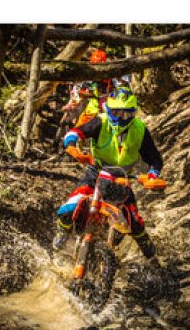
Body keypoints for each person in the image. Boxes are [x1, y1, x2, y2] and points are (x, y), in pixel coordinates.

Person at [53, 87, 163, 259]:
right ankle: (62, 231)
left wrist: (152, 176)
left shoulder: (140, 129)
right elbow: (75, 132)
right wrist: (72, 147)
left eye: (124, 114)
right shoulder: (100, 122)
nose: (119, 118)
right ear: (108, 109)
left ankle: (152, 258)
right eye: (115, 112)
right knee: (71, 205)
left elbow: (155, 159)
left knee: (135, 222)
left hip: (121, 179)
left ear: (133, 114)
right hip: (95, 172)